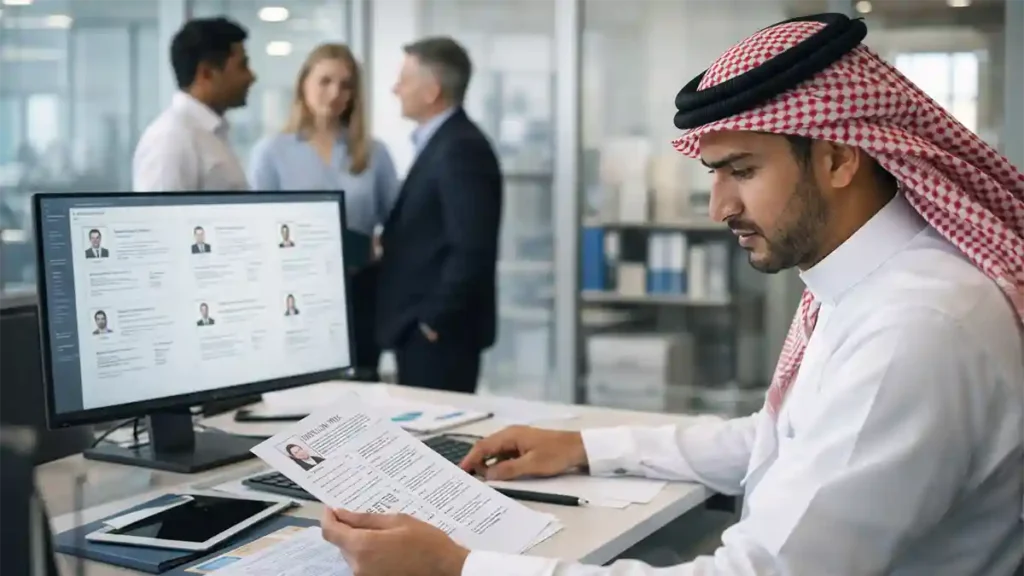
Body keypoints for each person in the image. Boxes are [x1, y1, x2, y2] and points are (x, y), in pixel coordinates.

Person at [319, 13, 1024, 576]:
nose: (718, 208)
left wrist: (458, 568)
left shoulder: (917, 328)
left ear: (839, 158)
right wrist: (586, 448)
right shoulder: (873, 282)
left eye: (741, 170)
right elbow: (779, 436)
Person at [249, 43, 398, 379]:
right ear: (304, 83)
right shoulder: (271, 152)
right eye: (325, 81)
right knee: (303, 400)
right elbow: (260, 232)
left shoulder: (374, 153)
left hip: (361, 297)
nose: (335, 93)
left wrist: (376, 248)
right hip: (299, 299)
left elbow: (397, 226)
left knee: (364, 396)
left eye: (346, 85)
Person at [376, 36, 502, 394]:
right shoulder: (442, 141)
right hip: (426, 332)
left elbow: (472, 246)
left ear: (431, 91)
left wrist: (433, 320)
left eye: (404, 79)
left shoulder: (460, 147)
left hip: (439, 336)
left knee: (437, 444)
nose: (395, 88)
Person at [132, 17, 255, 192]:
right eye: (242, 66)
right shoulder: (172, 138)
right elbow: (159, 218)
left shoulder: (208, 133)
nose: (251, 77)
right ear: (206, 73)